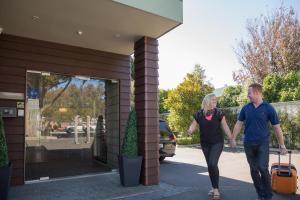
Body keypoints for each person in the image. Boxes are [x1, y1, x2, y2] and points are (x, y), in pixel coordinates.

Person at [231, 83, 288, 200]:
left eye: (249, 93)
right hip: (248, 143)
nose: (248, 95)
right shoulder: (246, 108)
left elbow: (277, 127)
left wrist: (282, 145)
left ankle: (268, 195)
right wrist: (233, 138)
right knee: (253, 169)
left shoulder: (268, 108)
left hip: (263, 143)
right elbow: (238, 124)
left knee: (262, 167)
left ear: (257, 93)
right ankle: (260, 193)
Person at [188, 93, 232, 200]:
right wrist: (190, 130)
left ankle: (216, 189)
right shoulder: (199, 114)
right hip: (205, 143)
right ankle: (214, 187)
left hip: (217, 142)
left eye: (215, 100)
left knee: (212, 163)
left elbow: (224, 125)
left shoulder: (219, 112)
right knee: (210, 166)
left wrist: (231, 138)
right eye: (212, 100)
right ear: (207, 101)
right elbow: (194, 124)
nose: (215, 101)